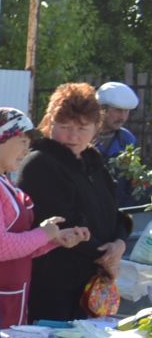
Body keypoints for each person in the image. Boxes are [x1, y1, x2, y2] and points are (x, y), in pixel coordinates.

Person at [0, 107, 89, 328]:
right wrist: (42, 234)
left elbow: (15, 246)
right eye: (22, 141)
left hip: (3, 302)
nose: (27, 149)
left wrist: (53, 239)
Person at [16, 83, 133, 322]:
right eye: (65, 127)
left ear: (95, 128)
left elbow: (115, 212)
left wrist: (119, 243)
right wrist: (106, 256)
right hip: (54, 285)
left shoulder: (92, 161)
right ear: (50, 124)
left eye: (82, 128)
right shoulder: (40, 163)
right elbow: (63, 224)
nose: (73, 136)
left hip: (94, 285)